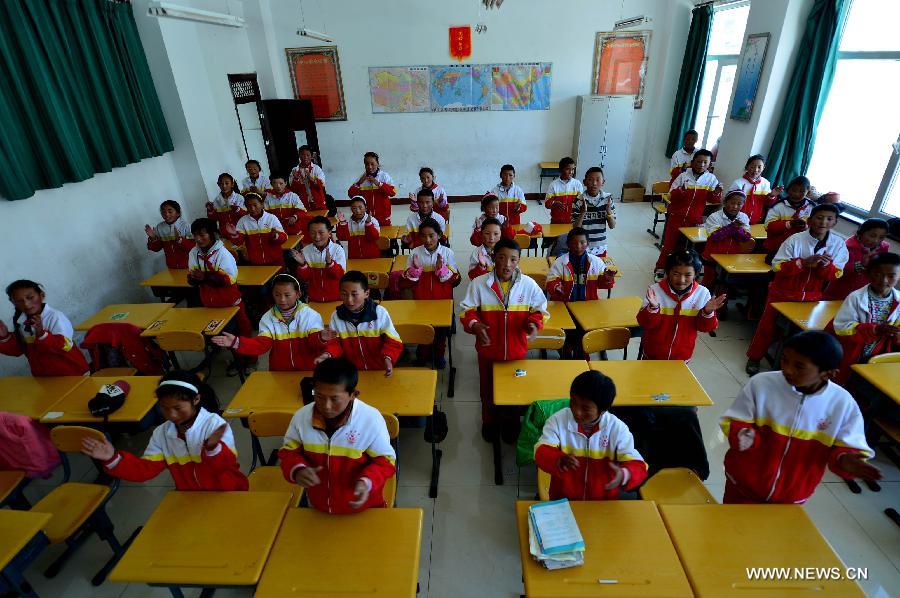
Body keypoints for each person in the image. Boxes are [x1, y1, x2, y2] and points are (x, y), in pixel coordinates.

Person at [722, 332, 880, 504]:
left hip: (792, 494)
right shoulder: (761, 384)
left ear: (828, 374)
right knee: (729, 528)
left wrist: (845, 459)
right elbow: (736, 419)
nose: (787, 369)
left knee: (775, 531)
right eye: (784, 359)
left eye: (799, 366)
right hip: (742, 485)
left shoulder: (843, 404)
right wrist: (742, 434)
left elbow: (848, 445)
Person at [81, 372, 248, 491]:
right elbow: (146, 470)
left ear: (196, 399)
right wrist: (113, 458)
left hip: (228, 492)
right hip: (190, 496)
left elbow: (227, 467)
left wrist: (213, 450)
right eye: (165, 408)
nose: (171, 415)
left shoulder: (214, 424)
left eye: (177, 408)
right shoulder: (162, 434)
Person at [279, 357, 396, 513]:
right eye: (319, 396)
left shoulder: (370, 420)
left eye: (334, 399)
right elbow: (288, 453)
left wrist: (367, 482)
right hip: (318, 507)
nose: (326, 406)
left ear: (353, 394)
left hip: (364, 508)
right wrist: (297, 469)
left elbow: (386, 461)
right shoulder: (301, 417)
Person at [459, 238, 548, 439]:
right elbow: (466, 311)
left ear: (518, 261)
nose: (507, 264)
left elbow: (540, 310)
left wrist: (534, 323)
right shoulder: (479, 284)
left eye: (513, 259)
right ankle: (489, 422)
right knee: (487, 390)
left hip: (517, 352)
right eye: (501, 258)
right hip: (488, 352)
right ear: (493, 258)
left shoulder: (528, 285)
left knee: (514, 391)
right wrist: (475, 324)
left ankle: (510, 423)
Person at [746, 204, 849, 375]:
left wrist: (824, 266)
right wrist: (804, 262)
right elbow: (777, 266)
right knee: (767, 327)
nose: (823, 222)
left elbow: (836, 274)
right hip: (782, 292)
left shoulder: (837, 244)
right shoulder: (796, 239)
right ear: (810, 220)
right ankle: (754, 357)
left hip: (811, 297)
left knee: (798, 334)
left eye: (829, 219)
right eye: (819, 217)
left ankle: (786, 364)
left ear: (835, 222)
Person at [535, 371, 647, 500]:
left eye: (586, 408)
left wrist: (624, 474)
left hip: (601, 502)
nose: (576, 411)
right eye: (573, 402)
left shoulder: (617, 429)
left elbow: (638, 465)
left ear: (603, 410)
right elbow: (540, 451)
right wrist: (557, 458)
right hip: (563, 500)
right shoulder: (558, 421)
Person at [211, 274, 337, 370]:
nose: (282, 299)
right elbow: (262, 344)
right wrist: (236, 342)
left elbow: (313, 342)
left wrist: (320, 337)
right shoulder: (268, 317)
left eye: (287, 295)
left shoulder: (310, 314)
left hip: (308, 368)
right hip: (279, 370)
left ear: (298, 294)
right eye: (277, 295)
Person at [639, 250, 724, 360]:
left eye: (688, 275)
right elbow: (644, 323)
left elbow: (705, 328)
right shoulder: (655, 291)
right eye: (676, 274)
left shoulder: (702, 294)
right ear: (668, 272)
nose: (681, 280)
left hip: (682, 356)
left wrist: (707, 313)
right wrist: (653, 308)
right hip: (653, 353)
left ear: (695, 274)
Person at [831, 252, 900, 384]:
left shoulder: (898, 300)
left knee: (862, 384)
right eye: (878, 274)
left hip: (876, 352)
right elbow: (841, 327)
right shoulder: (856, 297)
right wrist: (874, 329)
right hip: (851, 350)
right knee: (842, 379)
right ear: (868, 274)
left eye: (891, 276)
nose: (884, 280)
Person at [400, 220, 459, 367]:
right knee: (423, 332)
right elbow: (407, 282)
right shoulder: (415, 253)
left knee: (440, 334)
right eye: (424, 236)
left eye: (431, 236)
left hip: (442, 302)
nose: (428, 240)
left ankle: (439, 356)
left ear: (439, 235)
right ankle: (422, 357)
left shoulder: (447, 253)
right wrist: (415, 270)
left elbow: (454, 280)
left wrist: (442, 270)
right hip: (421, 301)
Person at [654, 149, 722, 276]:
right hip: (676, 217)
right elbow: (670, 196)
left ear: (709, 164)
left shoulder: (711, 179)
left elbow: (713, 200)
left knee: (688, 249)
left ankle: (683, 272)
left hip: (694, 219)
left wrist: (717, 192)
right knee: (669, 246)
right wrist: (681, 191)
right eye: (699, 161)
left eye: (705, 162)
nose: (701, 165)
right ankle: (661, 268)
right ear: (693, 162)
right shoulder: (683, 176)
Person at [0, 280, 89, 376]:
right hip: (45, 378)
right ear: (13, 303)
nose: (26, 304)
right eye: (19, 301)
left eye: (30, 297)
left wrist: (42, 335)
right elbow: (20, 350)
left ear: (41, 295)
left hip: (73, 373)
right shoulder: (22, 322)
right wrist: (5, 337)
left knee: (96, 390)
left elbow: (65, 346)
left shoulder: (55, 317)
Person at [321, 271, 403, 375]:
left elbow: (393, 341)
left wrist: (388, 358)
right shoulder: (336, 316)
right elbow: (334, 344)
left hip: (380, 371)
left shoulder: (379, 313)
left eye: (354, 294)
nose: (349, 300)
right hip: (351, 373)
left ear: (366, 293)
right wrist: (327, 354)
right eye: (344, 294)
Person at [187, 218, 252, 338]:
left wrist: (204, 277)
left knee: (240, 330)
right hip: (209, 302)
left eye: (202, 234)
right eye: (195, 235)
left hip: (229, 302)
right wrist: (193, 278)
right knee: (220, 334)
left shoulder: (223, 254)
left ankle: (247, 355)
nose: (198, 239)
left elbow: (229, 280)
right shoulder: (193, 253)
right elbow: (193, 277)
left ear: (212, 234)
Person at [823, 218, 890, 300]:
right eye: (872, 236)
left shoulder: (883, 249)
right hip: (839, 293)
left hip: (863, 294)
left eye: (881, 238)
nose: (876, 240)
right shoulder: (847, 247)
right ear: (861, 233)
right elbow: (835, 270)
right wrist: (860, 264)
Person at [700, 190, 752, 289]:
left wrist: (737, 229)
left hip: (731, 257)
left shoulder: (744, 217)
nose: (735, 207)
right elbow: (715, 237)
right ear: (725, 202)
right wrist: (732, 227)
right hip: (713, 255)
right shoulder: (714, 217)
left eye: (739, 204)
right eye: (732, 203)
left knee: (725, 285)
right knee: (708, 282)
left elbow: (745, 238)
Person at [546, 227, 614, 301]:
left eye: (582, 242)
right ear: (568, 244)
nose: (578, 246)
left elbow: (603, 285)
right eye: (574, 243)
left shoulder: (596, 262)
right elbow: (550, 282)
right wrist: (556, 287)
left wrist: (607, 280)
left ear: (588, 243)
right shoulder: (559, 262)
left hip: (588, 304)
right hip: (564, 304)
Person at [289, 216, 346, 302]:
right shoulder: (306, 251)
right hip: (314, 299)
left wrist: (330, 264)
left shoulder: (337, 250)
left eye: (321, 232)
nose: (317, 237)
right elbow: (305, 278)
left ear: (329, 233)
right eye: (313, 233)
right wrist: (302, 264)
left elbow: (340, 275)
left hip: (336, 298)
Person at [222, 192, 287, 266]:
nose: (252, 209)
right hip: (256, 262)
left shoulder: (271, 218)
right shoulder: (243, 221)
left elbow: (284, 238)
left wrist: (276, 236)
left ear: (262, 204)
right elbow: (238, 242)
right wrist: (235, 234)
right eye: (249, 206)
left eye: (255, 205)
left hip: (275, 260)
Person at [762, 176, 815, 256]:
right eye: (793, 190)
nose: (796, 194)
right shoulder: (778, 206)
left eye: (802, 191)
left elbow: (816, 228)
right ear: (788, 189)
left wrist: (806, 227)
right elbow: (768, 226)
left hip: (800, 249)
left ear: (808, 192)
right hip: (776, 248)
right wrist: (789, 224)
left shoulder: (812, 207)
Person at [572, 166, 616, 256]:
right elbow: (575, 228)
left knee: (598, 269)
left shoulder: (608, 199)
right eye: (590, 180)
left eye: (598, 180)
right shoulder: (578, 201)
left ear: (603, 182)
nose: (594, 183)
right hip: (582, 245)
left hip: (600, 245)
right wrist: (583, 213)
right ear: (584, 182)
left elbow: (612, 225)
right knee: (582, 269)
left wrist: (609, 212)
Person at [728, 154, 782, 224]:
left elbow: (767, 204)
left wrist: (771, 195)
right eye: (752, 166)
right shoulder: (738, 183)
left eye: (759, 167)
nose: (756, 170)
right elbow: (729, 203)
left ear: (763, 168)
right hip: (738, 221)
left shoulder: (765, 183)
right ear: (747, 167)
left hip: (757, 221)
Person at [348, 152, 396, 225]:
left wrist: (378, 184)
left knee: (384, 236)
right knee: (370, 235)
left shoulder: (384, 176)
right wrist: (359, 183)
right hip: (367, 218)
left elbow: (393, 192)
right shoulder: (361, 178)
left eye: (372, 164)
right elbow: (351, 194)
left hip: (383, 218)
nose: (369, 167)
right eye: (367, 164)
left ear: (377, 163)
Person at [144, 200, 194, 269]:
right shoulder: (160, 227)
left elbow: (194, 247)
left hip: (189, 265)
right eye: (163, 212)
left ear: (178, 213)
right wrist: (153, 238)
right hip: (172, 267)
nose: (166, 214)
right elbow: (156, 248)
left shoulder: (186, 227)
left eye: (170, 211)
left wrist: (180, 240)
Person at [544, 157, 584, 224]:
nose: (571, 172)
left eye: (573, 169)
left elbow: (582, 202)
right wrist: (554, 203)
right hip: (556, 221)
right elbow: (547, 203)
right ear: (560, 170)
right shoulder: (553, 185)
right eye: (568, 169)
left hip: (573, 221)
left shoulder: (577, 184)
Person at [289, 145, 327, 211]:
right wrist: (295, 179)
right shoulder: (295, 170)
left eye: (308, 155)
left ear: (311, 156)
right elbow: (293, 190)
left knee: (321, 219)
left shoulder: (316, 169)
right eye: (303, 155)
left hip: (318, 202)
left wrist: (310, 178)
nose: (305, 157)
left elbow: (321, 185)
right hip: (303, 203)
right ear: (299, 156)